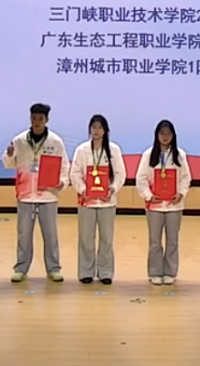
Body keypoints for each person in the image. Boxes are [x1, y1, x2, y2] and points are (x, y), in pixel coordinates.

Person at [3, 103, 70, 283]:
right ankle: (21, 269)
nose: (37, 122)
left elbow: (64, 166)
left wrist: (62, 182)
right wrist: (9, 154)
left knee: (50, 235)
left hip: (48, 195)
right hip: (25, 195)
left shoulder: (55, 141)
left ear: (47, 120)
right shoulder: (19, 140)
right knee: (24, 235)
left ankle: (53, 269)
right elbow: (8, 164)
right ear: (30, 118)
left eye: (40, 118)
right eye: (34, 118)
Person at [70, 114, 126, 285]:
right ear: (89, 129)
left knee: (106, 239)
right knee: (86, 238)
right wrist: (83, 190)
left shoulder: (114, 150)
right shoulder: (82, 150)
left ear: (105, 130)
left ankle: (105, 272)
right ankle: (86, 271)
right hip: (86, 201)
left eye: (100, 127)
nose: (96, 130)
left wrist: (112, 188)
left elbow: (120, 174)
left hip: (107, 202)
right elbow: (75, 173)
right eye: (93, 127)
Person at [136, 120, 192, 286]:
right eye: (162, 133)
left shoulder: (180, 155)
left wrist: (181, 193)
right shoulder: (148, 155)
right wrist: (148, 195)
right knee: (155, 241)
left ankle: (170, 272)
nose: (165, 137)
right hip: (155, 205)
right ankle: (155, 272)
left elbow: (186, 177)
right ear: (157, 135)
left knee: (172, 241)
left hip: (174, 205)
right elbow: (141, 178)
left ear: (173, 136)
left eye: (168, 134)